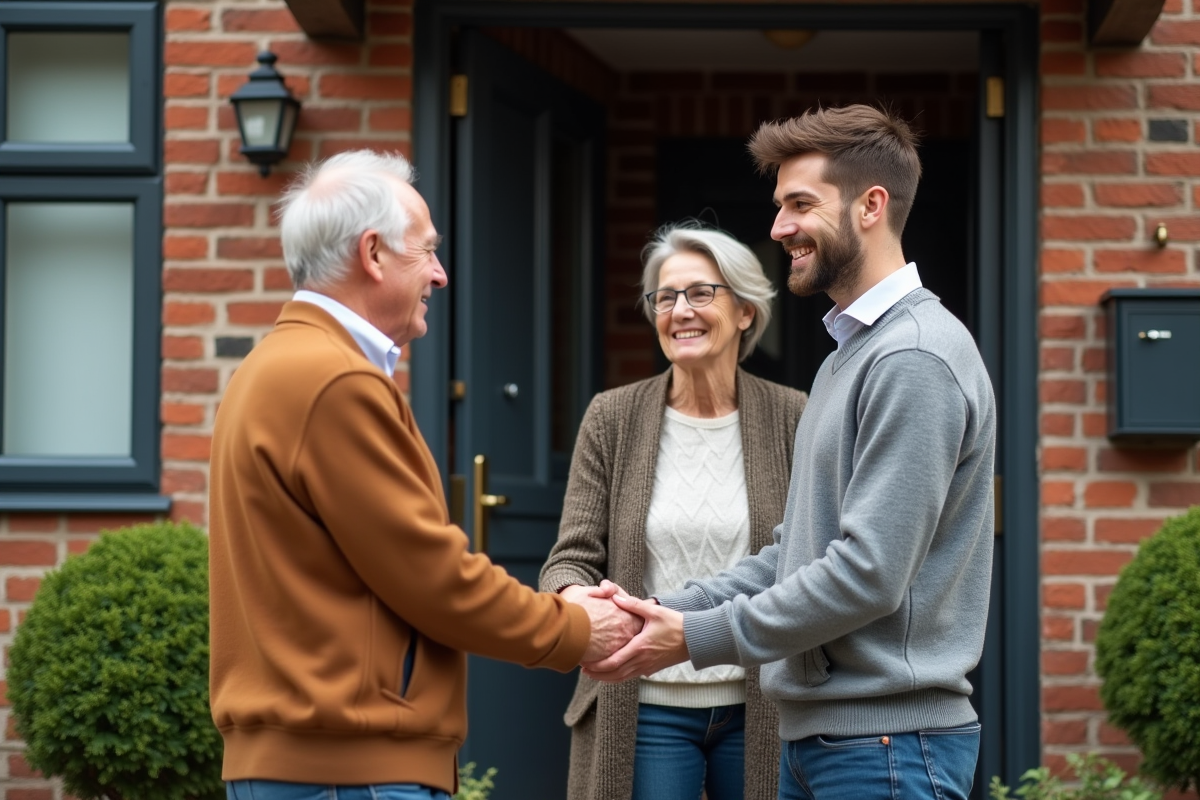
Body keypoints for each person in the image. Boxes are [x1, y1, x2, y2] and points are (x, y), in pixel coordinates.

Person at [584, 105, 998, 800]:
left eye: (799, 204)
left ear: (871, 206)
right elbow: (793, 552)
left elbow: (867, 574)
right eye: (779, 206)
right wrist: (660, 609)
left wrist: (693, 636)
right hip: (825, 740)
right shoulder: (847, 360)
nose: (779, 228)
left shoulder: (915, 357)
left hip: (886, 745)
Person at [208, 150, 640, 800]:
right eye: (427, 251)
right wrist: (573, 629)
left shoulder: (278, 365)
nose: (440, 274)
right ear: (373, 254)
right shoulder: (332, 381)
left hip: (314, 767)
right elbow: (427, 575)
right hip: (351, 774)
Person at [540, 223, 807, 800]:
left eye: (701, 293)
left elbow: (808, 556)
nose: (680, 310)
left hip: (763, 703)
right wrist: (573, 601)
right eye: (665, 297)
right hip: (645, 706)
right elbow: (571, 559)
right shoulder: (612, 417)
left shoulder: (794, 416)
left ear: (744, 311)